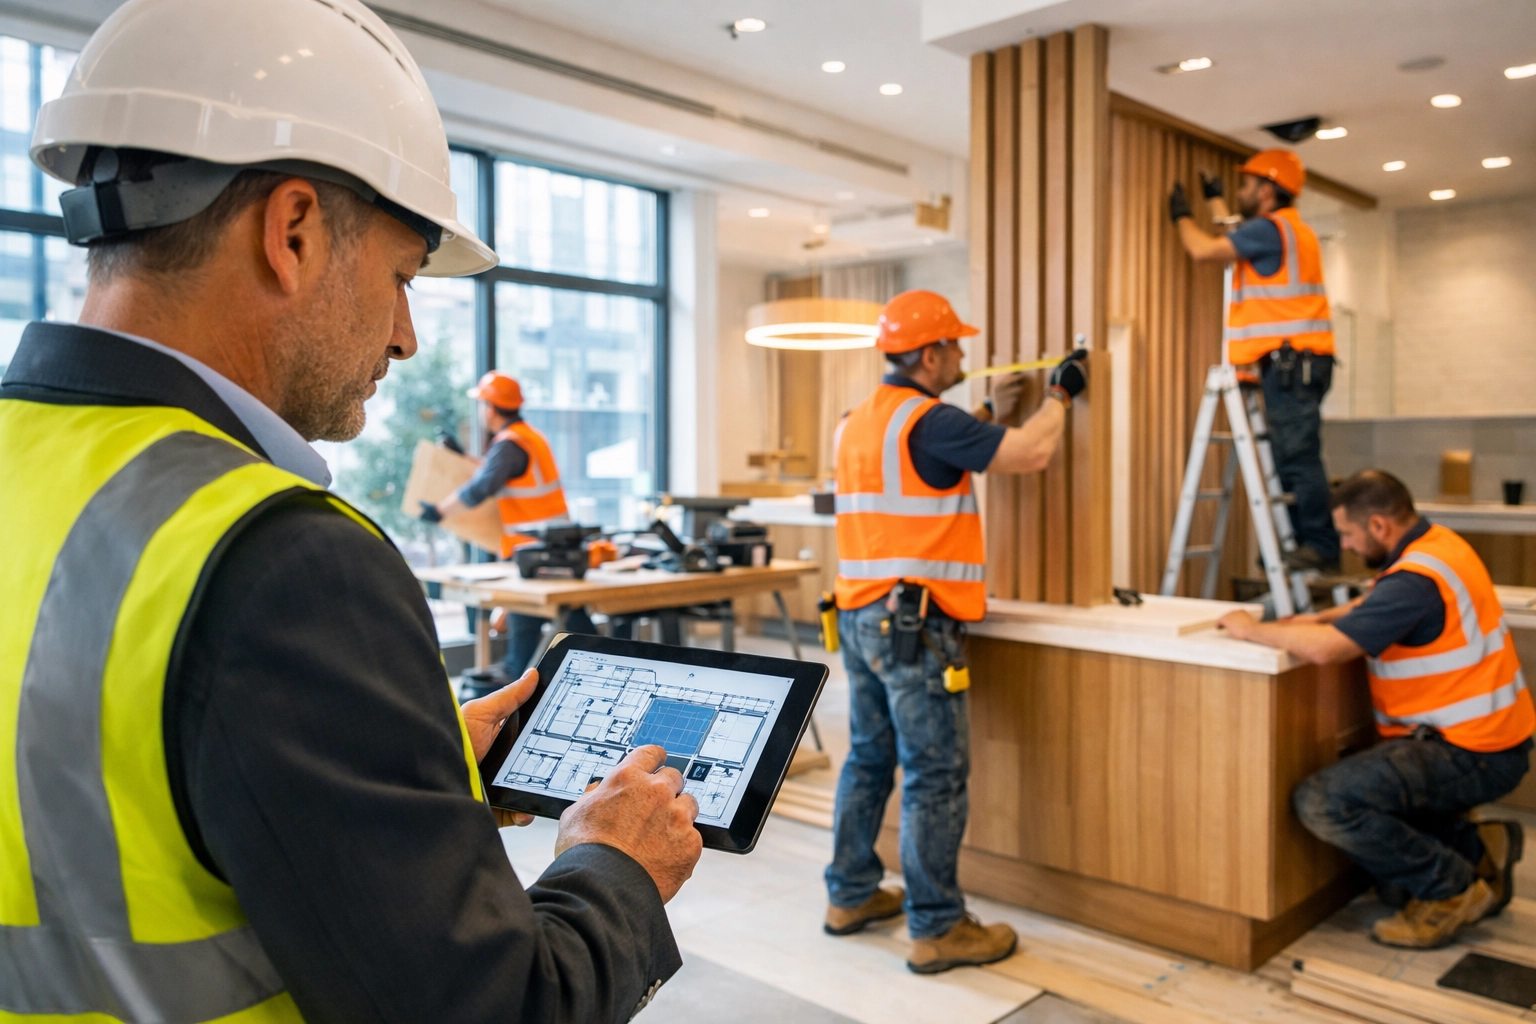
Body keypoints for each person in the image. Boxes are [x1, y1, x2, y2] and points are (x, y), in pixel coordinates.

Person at [0, 1, 700, 1021]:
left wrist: (408, 763)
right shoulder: (282, 560)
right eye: (403, 277)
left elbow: (93, 772)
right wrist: (617, 869)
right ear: (292, 231)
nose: (408, 336)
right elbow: (498, 1007)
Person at [823, 289, 1088, 973]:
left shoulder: (857, 421)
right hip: (914, 625)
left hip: (857, 616)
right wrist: (1061, 395)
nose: (964, 357)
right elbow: (1029, 455)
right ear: (930, 353)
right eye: (957, 347)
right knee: (935, 775)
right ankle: (938, 926)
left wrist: (992, 412)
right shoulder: (929, 420)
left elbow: (936, 457)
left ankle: (849, 893)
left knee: (869, 759)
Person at [1217, 470, 1531, 948]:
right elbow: (1374, 604)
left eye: (1348, 533)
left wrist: (1249, 628)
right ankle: (1480, 849)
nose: (1345, 544)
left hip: (1469, 750)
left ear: (1380, 525)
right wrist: (1316, 617)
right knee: (1389, 886)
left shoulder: (1415, 579)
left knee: (1324, 801)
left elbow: (1328, 650)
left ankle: (1452, 890)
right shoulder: (1438, 546)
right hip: (1490, 741)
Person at [1170, 149, 1340, 570]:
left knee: (1297, 458)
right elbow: (1236, 233)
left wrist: (1181, 216)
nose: (1239, 191)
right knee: (1290, 456)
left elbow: (1204, 250)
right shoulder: (1286, 231)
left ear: (1267, 190)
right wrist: (1215, 201)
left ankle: (1319, 545)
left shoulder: (1270, 231)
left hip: (1292, 363)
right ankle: (1301, 545)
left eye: (1246, 185)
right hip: (1297, 362)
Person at [421, 370, 602, 676]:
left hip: (534, 555)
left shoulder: (509, 444)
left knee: (533, 640)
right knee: (569, 628)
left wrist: (440, 510)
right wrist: (462, 458)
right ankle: (588, 670)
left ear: (491, 408)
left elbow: (480, 488)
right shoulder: (528, 438)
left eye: (482, 405)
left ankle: (523, 689)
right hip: (555, 549)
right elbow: (498, 473)